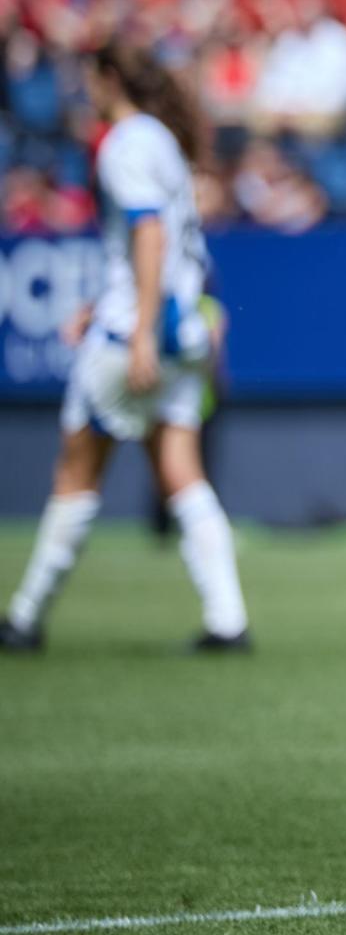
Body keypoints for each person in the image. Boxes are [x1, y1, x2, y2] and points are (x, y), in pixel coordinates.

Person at [0, 44, 252, 654]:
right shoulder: (164, 142)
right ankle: (228, 620)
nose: (86, 92)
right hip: (183, 328)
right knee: (182, 473)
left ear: (110, 80)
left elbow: (148, 230)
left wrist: (136, 331)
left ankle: (25, 618)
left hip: (135, 335)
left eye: (91, 80)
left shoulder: (125, 143)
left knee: (76, 472)